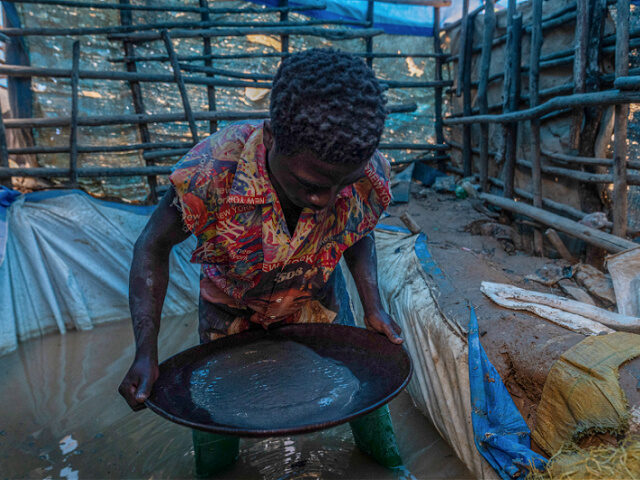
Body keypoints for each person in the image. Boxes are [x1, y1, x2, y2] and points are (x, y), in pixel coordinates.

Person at [118, 48, 404, 475]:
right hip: (230, 310)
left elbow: (357, 230)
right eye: (310, 185)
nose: (324, 201)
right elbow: (151, 247)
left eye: (340, 184)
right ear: (271, 139)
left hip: (317, 301)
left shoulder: (365, 169)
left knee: (362, 396)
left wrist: (373, 307)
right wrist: (146, 350)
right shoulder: (210, 173)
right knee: (213, 411)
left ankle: (392, 468)